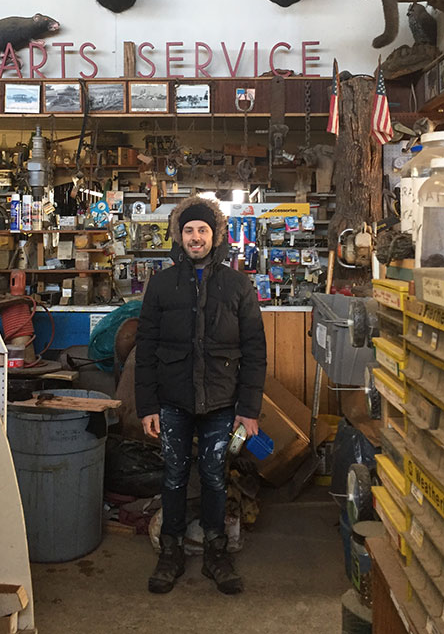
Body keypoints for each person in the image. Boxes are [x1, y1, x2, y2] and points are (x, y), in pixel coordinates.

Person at [135, 196, 267, 595]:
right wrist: (148, 406)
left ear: (216, 236)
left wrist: (249, 410)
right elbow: (146, 348)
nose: (196, 237)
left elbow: (255, 351)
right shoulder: (160, 285)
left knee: (213, 477)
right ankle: (170, 552)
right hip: (173, 401)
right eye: (189, 230)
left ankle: (216, 552)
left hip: (222, 402)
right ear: (179, 235)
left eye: (203, 231)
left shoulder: (238, 285)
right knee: (173, 477)